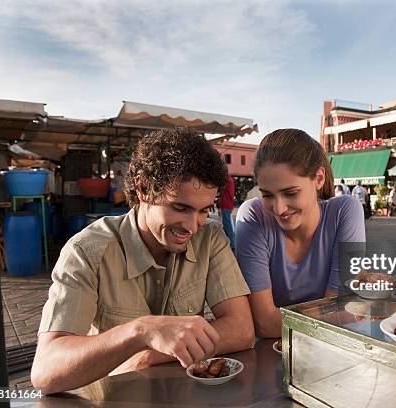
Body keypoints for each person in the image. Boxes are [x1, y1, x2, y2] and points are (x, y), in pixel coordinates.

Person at [31, 128, 254, 394]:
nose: (192, 227)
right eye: (180, 208)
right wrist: (140, 331)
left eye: (203, 211)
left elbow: (242, 329)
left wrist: (151, 354)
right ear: (143, 189)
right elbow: (46, 372)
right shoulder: (86, 251)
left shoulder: (210, 238)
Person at [235, 129, 365, 338]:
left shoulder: (345, 211)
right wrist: (332, 313)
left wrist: (341, 313)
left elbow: (342, 312)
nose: (278, 209)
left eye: (290, 193)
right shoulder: (253, 216)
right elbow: (264, 324)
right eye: (267, 195)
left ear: (319, 178)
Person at [218, 173, 236, 251]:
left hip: (225, 205)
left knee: (227, 225)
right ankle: (230, 242)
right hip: (228, 205)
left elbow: (222, 194)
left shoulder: (226, 181)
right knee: (228, 225)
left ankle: (232, 243)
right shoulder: (230, 180)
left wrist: (219, 205)